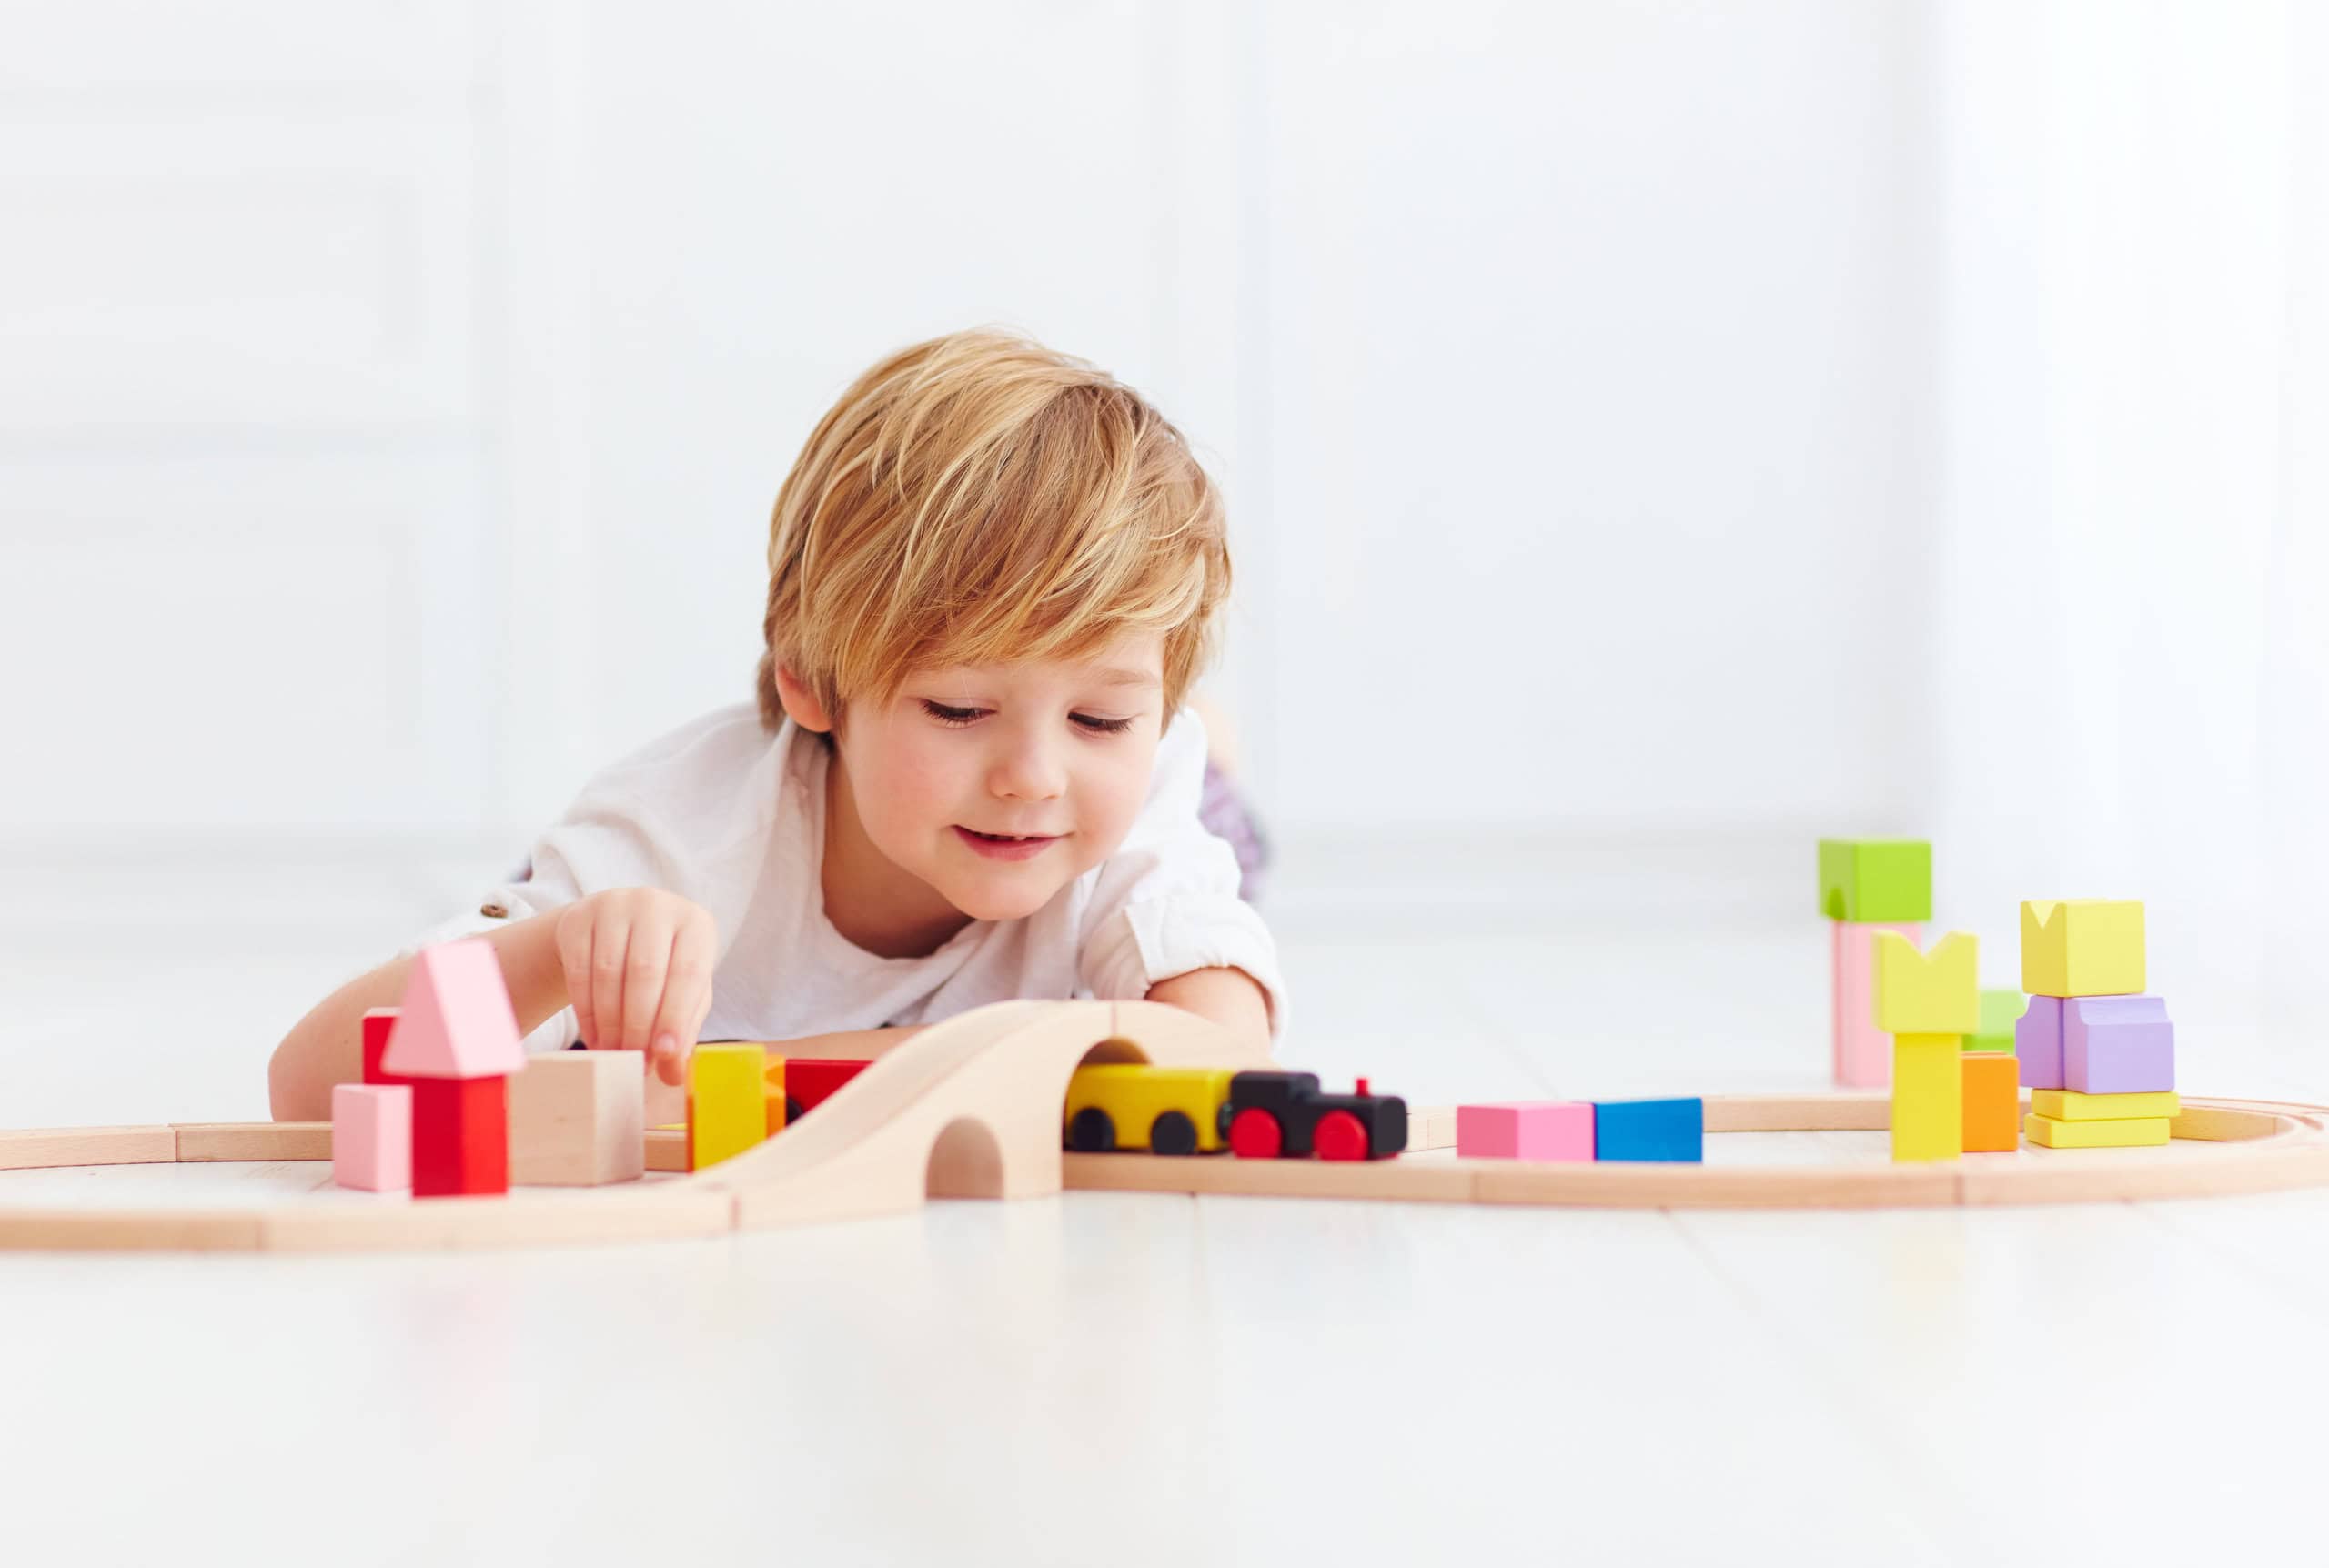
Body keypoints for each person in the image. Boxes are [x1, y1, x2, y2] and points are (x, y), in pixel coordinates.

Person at [267, 329, 1281, 1122]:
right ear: (810, 683)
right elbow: (312, 1090)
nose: (1032, 773)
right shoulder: (676, 839)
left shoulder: (1130, 789)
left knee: (1211, 819)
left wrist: (769, 1079)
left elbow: (1218, 1053)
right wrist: (557, 951)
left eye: (1100, 714)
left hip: (1156, 821)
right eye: (959, 708)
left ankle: (1205, 739)